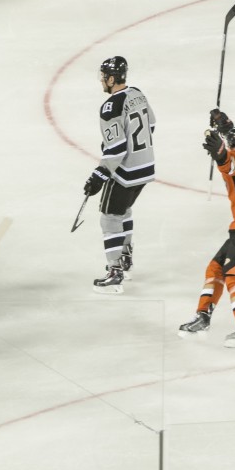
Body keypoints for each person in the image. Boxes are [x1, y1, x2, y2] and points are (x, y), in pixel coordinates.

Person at [178, 112, 235, 347]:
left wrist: (220, 153)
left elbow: (232, 160)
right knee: (215, 268)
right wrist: (225, 126)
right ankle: (203, 316)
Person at [83, 56, 155, 294]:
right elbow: (151, 124)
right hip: (146, 166)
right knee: (123, 210)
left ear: (112, 79)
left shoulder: (110, 107)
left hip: (126, 171)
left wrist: (99, 175)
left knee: (109, 217)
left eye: (104, 77)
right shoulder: (138, 94)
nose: (102, 81)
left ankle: (115, 272)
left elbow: (116, 148)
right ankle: (125, 258)